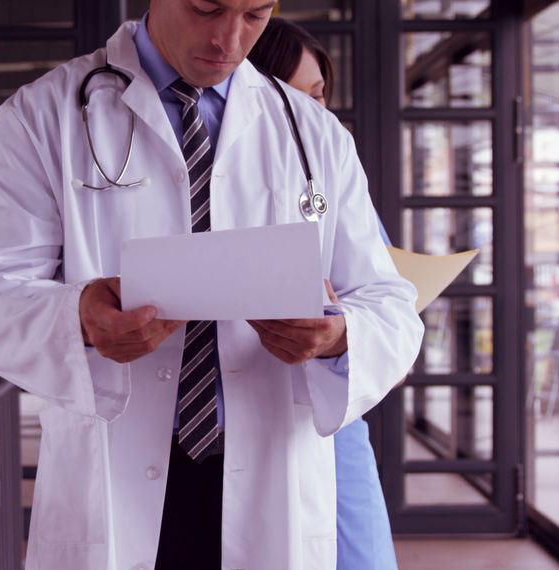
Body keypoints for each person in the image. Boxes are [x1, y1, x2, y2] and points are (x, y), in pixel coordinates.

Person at [0, 1, 423, 568]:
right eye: (207, 8)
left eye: (255, 14)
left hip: (272, 475)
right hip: (115, 474)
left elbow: (390, 303)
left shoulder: (313, 131)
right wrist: (79, 315)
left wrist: (339, 335)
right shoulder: (43, 115)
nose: (229, 39)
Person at [249, 18, 399, 570]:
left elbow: (387, 322)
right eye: (295, 96)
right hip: (247, 429)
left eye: (320, 97)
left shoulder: (330, 180)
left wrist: (348, 333)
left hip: (334, 426)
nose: (314, 114)